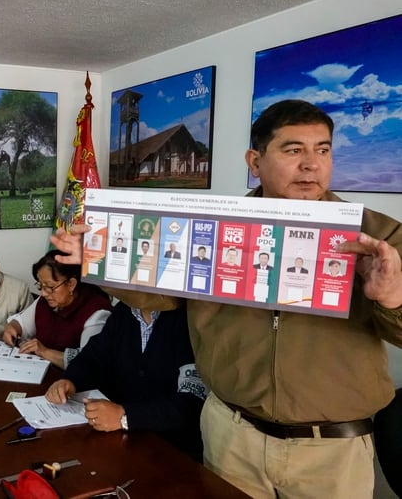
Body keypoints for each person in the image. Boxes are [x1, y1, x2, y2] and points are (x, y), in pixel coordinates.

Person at [50, 100, 402, 499]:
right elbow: (160, 293)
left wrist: (392, 298)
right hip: (232, 435)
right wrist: (92, 261)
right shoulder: (214, 227)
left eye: (322, 150)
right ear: (255, 161)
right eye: (293, 150)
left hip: (330, 449)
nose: (311, 164)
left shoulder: (377, 236)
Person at [44, 300, 206, 461]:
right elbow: (93, 355)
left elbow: (190, 403)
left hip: (171, 450)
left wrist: (125, 416)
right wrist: (69, 380)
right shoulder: (125, 310)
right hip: (125, 441)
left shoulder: (186, 318)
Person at [2, 249, 112, 369]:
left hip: (75, 384)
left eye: (49, 287)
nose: (43, 293)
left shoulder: (96, 311)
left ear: (71, 284)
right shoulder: (45, 301)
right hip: (41, 373)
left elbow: (88, 363)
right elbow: (20, 324)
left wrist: (44, 352)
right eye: (40, 286)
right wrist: (12, 328)